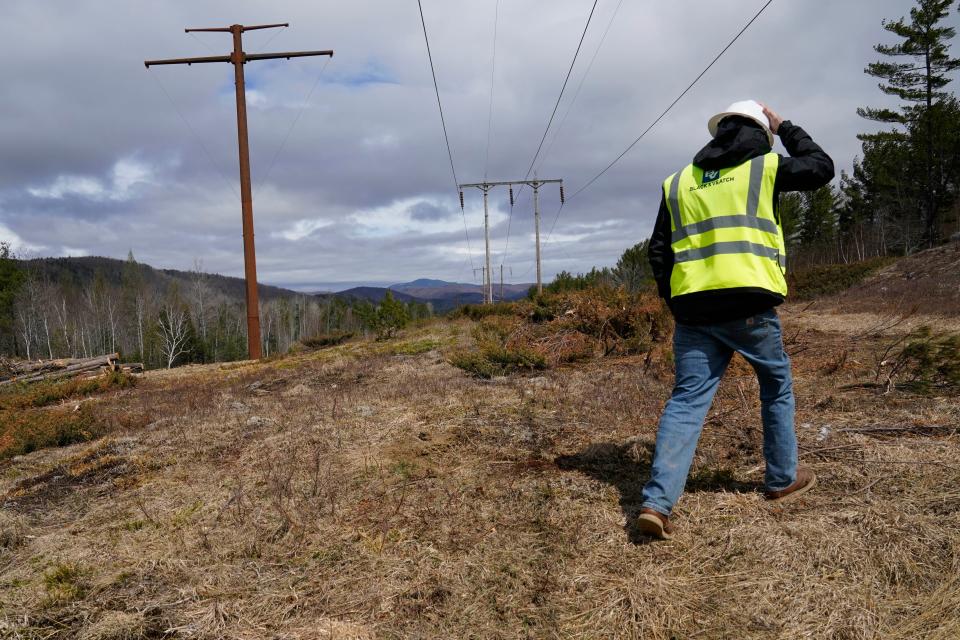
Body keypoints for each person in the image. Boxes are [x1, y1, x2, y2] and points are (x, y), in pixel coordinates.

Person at [637, 100, 835, 540]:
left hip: (693, 310)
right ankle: (782, 480)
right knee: (775, 387)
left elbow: (658, 251)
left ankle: (657, 502)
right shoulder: (765, 167)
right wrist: (787, 127)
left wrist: (677, 301)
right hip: (749, 306)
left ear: (719, 131)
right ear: (761, 134)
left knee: (687, 401)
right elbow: (821, 168)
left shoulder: (679, 181)